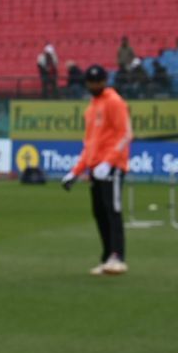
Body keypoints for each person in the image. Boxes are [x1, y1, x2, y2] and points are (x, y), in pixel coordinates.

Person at [61, 65, 131, 274]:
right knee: (99, 213)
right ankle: (107, 256)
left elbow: (125, 134)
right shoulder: (91, 109)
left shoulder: (114, 102)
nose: (93, 86)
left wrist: (109, 162)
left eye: (97, 82)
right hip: (95, 168)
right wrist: (76, 171)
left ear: (104, 81)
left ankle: (118, 256)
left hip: (113, 167)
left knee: (113, 211)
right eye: (90, 83)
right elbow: (89, 145)